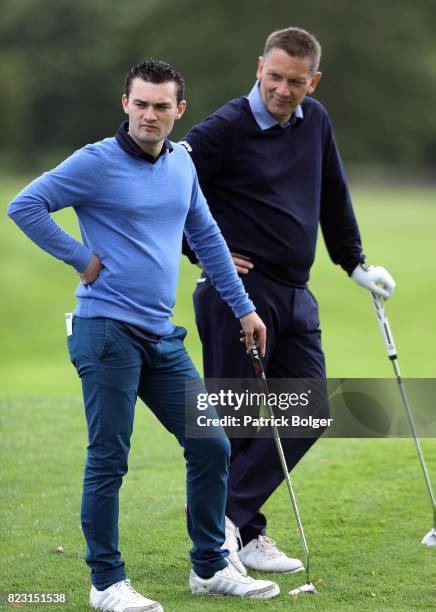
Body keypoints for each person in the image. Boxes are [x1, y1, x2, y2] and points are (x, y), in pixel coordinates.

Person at [7, 59, 282, 611]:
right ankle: (106, 583)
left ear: (179, 111)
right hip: (105, 332)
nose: (149, 115)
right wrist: (81, 258)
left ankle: (209, 568)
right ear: (125, 104)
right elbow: (25, 205)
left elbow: (205, 235)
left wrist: (245, 309)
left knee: (210, 445)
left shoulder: (182, 162)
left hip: (161, 336)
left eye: (161, 106)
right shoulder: (95, 162)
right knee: (109, 458)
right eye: (141, 103)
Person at [181, 27, 396, 575]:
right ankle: (230, 536)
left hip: (297, 295)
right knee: (239, 421)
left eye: (295, 81)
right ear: (259, 68)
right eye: (273, 76)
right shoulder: (226, 126)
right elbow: (166, 182)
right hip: (238, 293)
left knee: (311, 409)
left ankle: (230, 520)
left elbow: (333, 195)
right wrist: (198, 251)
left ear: (313, 81)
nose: (281, 89)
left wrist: (354, 262)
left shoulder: (315, 120)